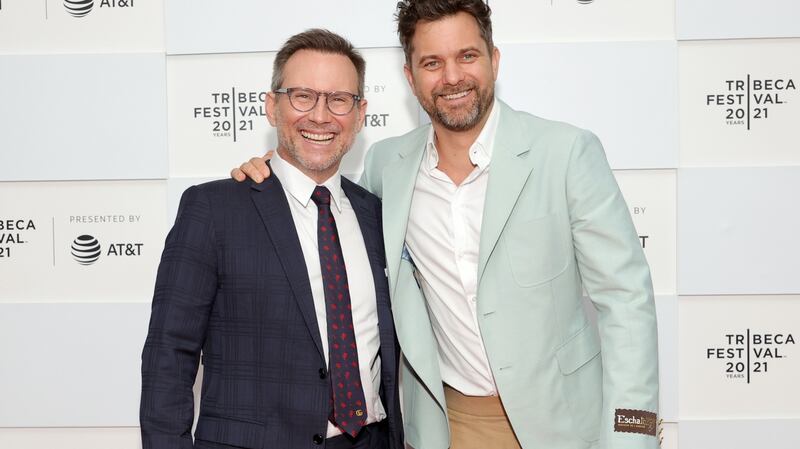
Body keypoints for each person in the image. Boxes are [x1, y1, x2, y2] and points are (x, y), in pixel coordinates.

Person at [232, 1, 659, 448]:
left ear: (494, 59)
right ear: (410, 77)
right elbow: (325, 216)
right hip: (445, 428)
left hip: (569, 427)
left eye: (467, 56)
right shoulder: (385, 167)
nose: (452, 77)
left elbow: (626, 302)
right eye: (432, 63)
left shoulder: (566, 153)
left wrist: (634, 438)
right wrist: (273, 175)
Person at [141, 29, 403, 449]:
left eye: (339, 99)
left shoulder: (377, 214)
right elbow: (168, 357)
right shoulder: (213, 209)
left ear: (360, 113)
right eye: (302, 96)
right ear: (271, 106)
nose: (320, 115)